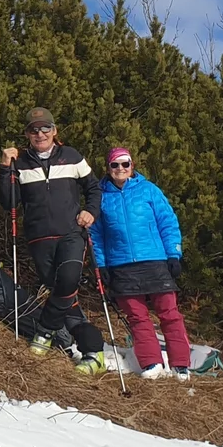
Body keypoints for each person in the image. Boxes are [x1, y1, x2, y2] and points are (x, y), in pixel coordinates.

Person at [0, 107, 106, 370]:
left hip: (71, 233)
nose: (40, 134)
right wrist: (4, 168)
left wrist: (90, 211)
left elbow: (93, 187)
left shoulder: (71, 156)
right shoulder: (19, 163)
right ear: (27, 134)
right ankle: (94, 353)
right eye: (34, 130)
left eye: (45, 128)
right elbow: (9, 201)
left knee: (69, 280)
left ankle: (44, 331)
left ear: (54, 130)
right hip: (38, 238)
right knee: (64, 295)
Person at [92, 145, 193, 379]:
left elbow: (168, 223)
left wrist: (173, 254)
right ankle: (151, 364)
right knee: (138, 317)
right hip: (121, 264)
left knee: (169, 313)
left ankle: (180, 364)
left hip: (154, 261)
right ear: (108, 168)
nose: (120, 169)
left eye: (125, 164)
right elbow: (96, 235)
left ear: (132, 166)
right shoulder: (100, 195)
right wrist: (102, 264)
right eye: (115, 165)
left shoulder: (149, 190)